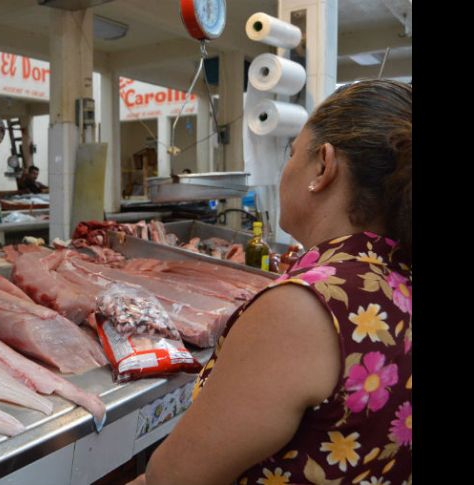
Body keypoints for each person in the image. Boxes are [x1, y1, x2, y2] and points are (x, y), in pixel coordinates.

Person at [132, 80, 412, 484]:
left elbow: (172, 478)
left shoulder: (306, 308)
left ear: (323, 166)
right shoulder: (395, 281)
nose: (287, 169)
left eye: (293, 152)